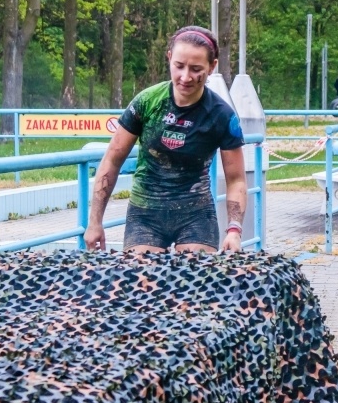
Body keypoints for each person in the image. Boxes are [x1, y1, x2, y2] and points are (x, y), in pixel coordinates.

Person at [83, 25, 247, 254]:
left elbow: (236, 179)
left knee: (195, 286)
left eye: (196, 69)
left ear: (212, 67)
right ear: (169, 58)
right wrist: (95, 222)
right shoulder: (147, 102)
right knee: (143, 286)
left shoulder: (222, 116)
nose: (185, 77)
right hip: (145, 213)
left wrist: (234, 230)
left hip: (196, 215)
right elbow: (112, 160)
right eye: (179, 66)